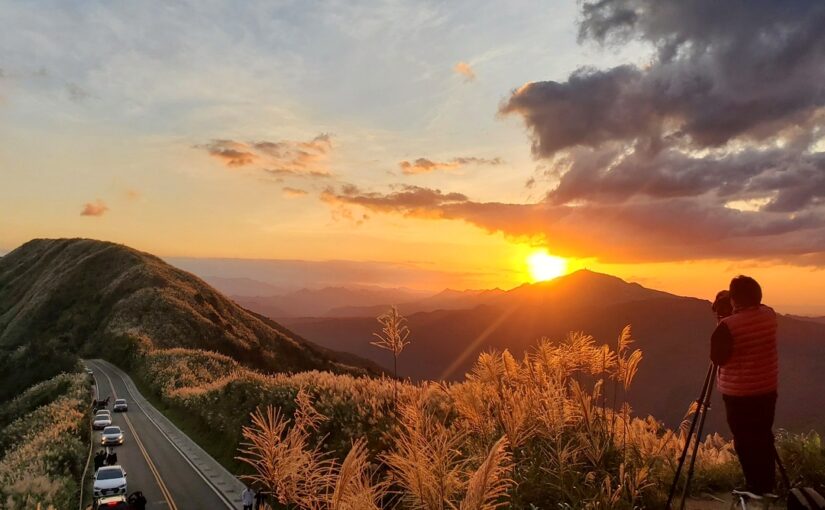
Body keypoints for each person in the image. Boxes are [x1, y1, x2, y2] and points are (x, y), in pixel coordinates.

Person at [710, 276, 778, 496]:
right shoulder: (770, 316)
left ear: (735, 300)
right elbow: (754, 310)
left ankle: (754, 486)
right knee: (763, 435)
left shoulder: (727, 325)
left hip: (739, 394)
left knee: (744, 440)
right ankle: (767, 484)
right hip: (767, 389)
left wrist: (725, 315)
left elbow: (718, 358)